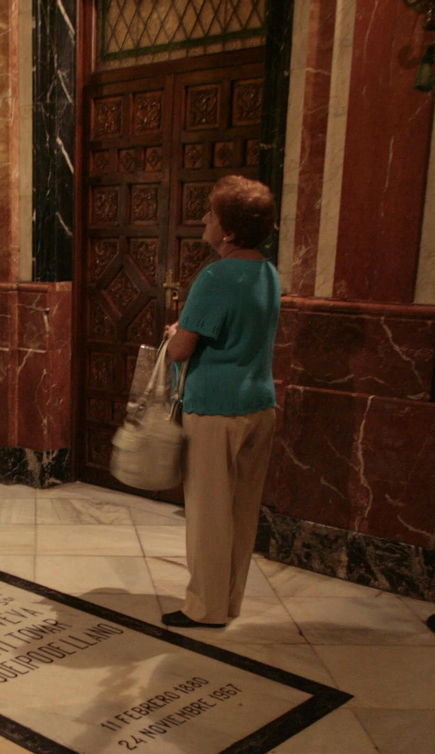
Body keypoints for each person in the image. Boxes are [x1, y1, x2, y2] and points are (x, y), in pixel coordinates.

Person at [161, 175, 280, 629]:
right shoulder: (268, 272)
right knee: (242, 511)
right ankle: (228, 601)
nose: (205, 219)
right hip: (259, 404)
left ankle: (204, 609)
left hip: (215, 408)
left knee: (209, 515)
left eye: (211, 213)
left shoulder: (215, 275)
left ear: (228, 231)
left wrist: (174, 334)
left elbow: (181, 350)